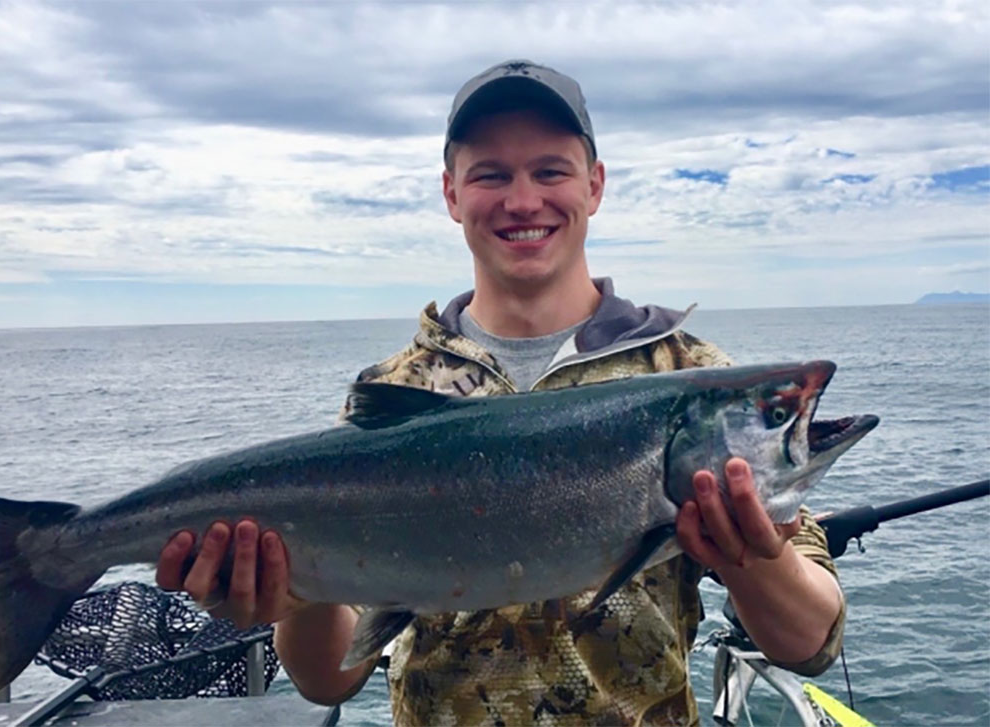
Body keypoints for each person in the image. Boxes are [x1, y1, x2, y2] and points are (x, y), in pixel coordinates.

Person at [156, 59, 845, 726]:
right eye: (491, 175)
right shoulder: (395, 391)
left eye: (550, 171)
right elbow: (328, 678)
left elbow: (812, 641)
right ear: (452, 193)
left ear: (595, 185)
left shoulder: (688, 373)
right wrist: (293, 594)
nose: (523, 200)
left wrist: (753, 558)